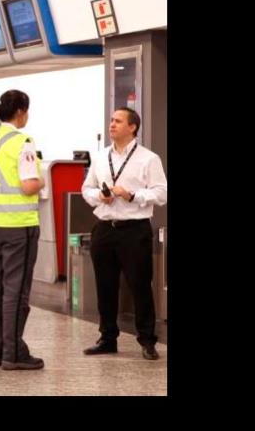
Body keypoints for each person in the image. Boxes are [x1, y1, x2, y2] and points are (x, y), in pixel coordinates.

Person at [81, 107, 167, 360]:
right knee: (105, 285)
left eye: (118, 121)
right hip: (104, 228)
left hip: (134, 230)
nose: (112, 125)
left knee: (140, 285)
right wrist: (100, 196)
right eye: (111, 120)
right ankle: (107, 338)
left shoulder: (148, 159)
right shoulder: (100, 157)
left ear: (132, 127)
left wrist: (132, 195)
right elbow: (86, 188)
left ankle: (147, 340)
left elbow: (161, 193)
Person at [0, 90, 45, 370]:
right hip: (18, 226)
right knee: (16, 290)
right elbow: (28, 185)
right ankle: (13, 353)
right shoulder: (22, 142)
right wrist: (42, 181)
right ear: (21, 111)